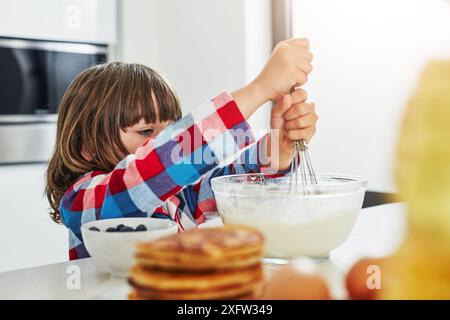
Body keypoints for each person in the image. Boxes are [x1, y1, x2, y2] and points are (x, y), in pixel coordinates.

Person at [45, 38, 318, 259]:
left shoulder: (173, 200)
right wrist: (260, 89)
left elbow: (226, 185)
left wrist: (278, 148)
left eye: (170, 129)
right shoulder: (83, 201)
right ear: (88, 147)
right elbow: (146, 174)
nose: (162, 141)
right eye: (146, 132)